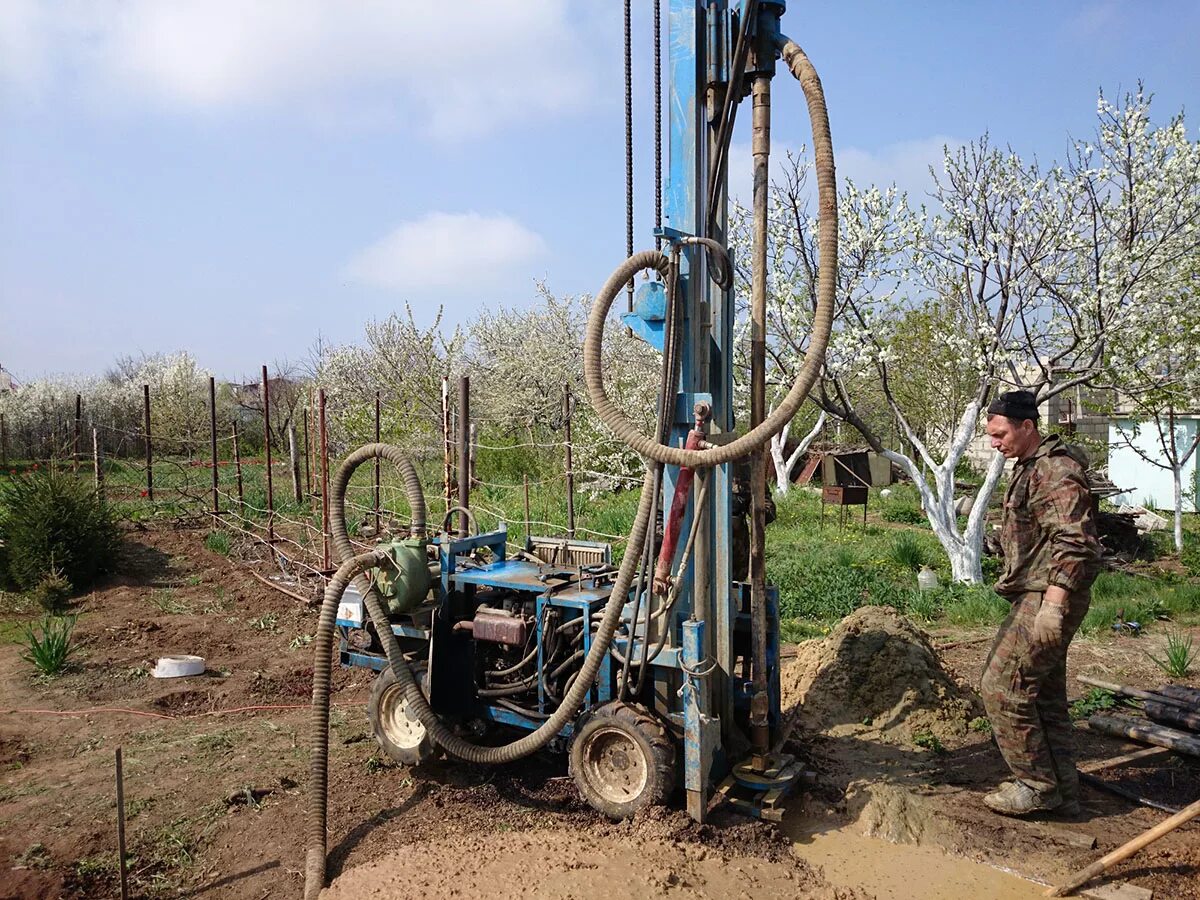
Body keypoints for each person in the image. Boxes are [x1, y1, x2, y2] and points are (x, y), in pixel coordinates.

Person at [980, 390, 1100, 817]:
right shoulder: (1031, 467)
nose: (995, 443)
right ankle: (1064, 790)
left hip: (1049, 595)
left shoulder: (1053, 469)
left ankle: (1036, 785)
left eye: (1000, 434)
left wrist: (1053, 604)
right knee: (1043, 694)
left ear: (1027, 426)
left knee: (1002, 688)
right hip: (1040, 589)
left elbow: (1075, 540)